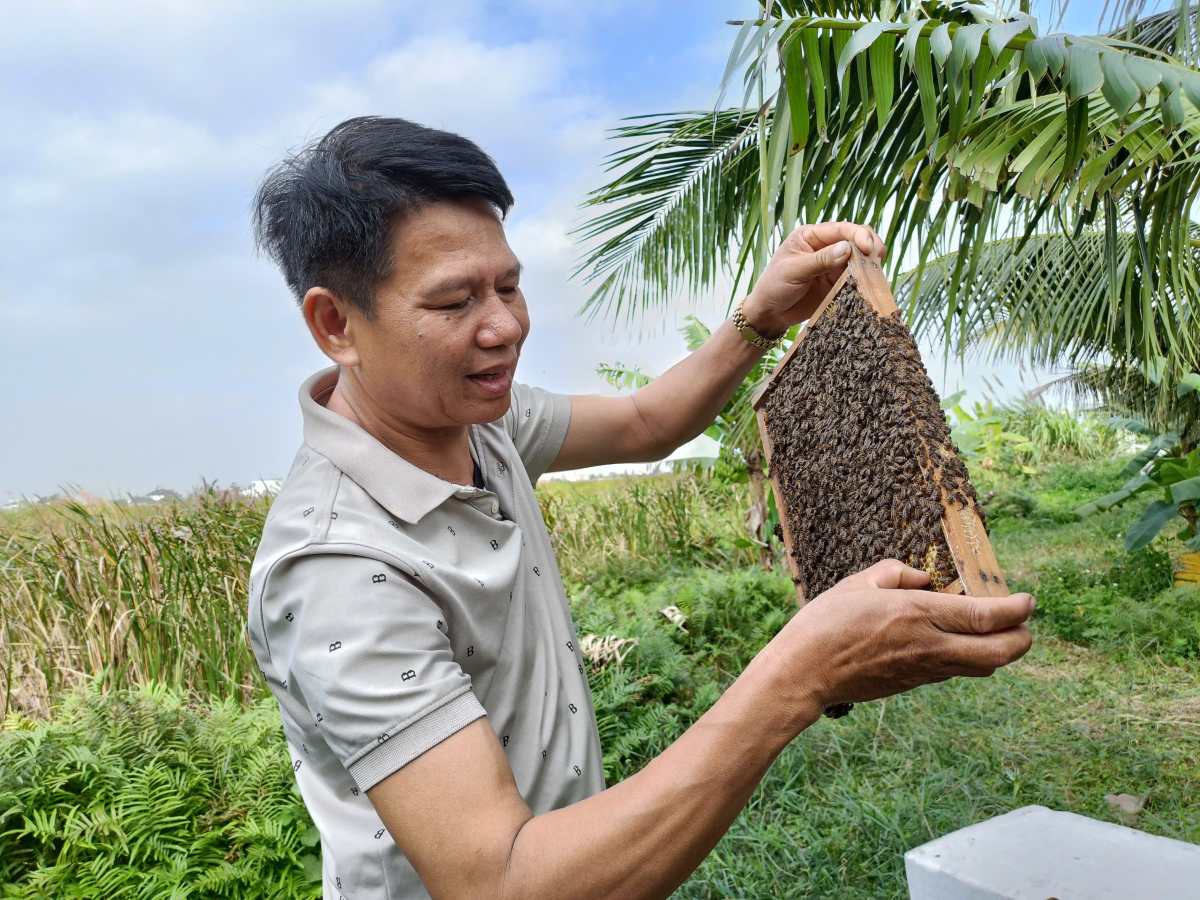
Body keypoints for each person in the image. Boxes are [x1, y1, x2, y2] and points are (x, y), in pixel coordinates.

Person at [246, 115, 1034, 899]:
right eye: (455, 302)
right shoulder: (337, 573)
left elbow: (647, 423)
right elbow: (501, 884)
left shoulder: (477, 420)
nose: (506, 326)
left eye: (510, 286)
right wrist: (802, 674)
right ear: (336, 324)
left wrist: (759, 316)